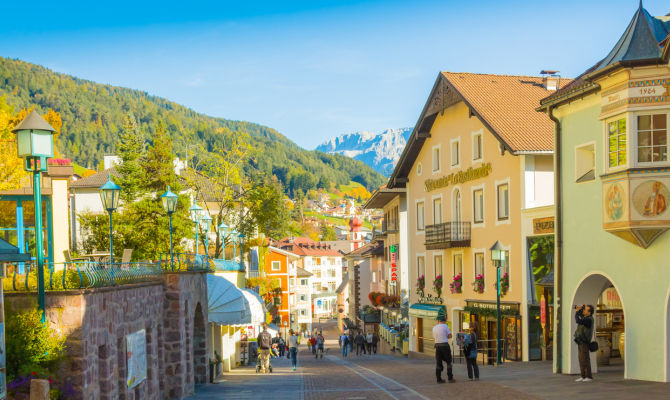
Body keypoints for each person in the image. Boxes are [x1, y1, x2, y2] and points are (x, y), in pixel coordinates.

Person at [574, 304, 594, 382]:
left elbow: (577, 320)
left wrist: (577, 312)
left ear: (589, 312)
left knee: (585, 359)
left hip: (585, 342)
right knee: (581, 359)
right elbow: (580, 316)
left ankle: (588, 376)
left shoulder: (589, 319)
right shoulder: (585, 317)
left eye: (585, 310)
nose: (583, 311)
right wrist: (579, 309)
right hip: (580, 341)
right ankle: (583, 376)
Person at [433, 315, 454, 383]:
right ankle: (450, 378)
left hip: (437, 346)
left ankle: (438, 379)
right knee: (449, 362)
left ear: (438, 321)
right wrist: (446, 336)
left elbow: (434, 337)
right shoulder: (445, 326)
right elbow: (450, 336)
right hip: (445, 345)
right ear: (444, 321)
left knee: (438, 362)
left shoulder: (434, 327)